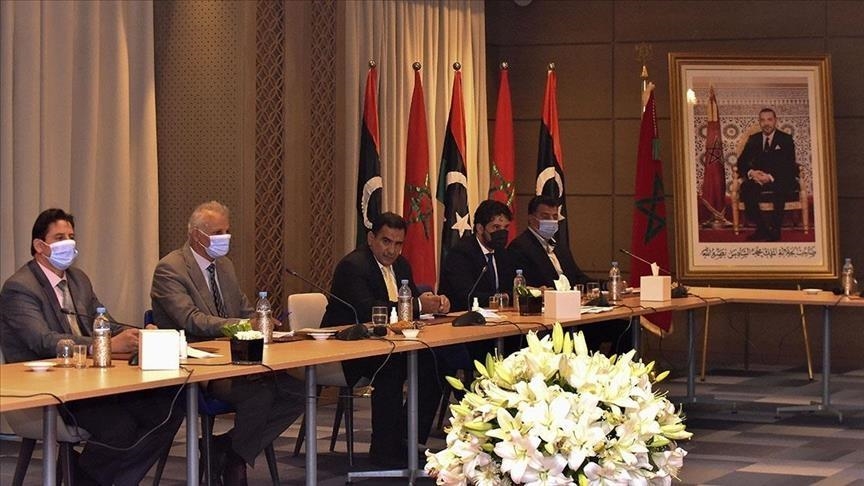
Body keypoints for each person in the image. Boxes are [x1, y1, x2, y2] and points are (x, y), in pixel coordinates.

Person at [0, 208, 183, 486]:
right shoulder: (19, 287)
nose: (69, 243)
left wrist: (138, 334)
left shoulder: (78, 279)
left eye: (71, 236)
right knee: (119, 427)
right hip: (47, 390)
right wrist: (105, 344)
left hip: (91, 382)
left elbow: (105, 322)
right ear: (39, 246)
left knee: (167, 410)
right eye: (59, 237)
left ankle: (89, 477)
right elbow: (43, 341)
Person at [150, 201, 304, 486]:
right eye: (217, 233)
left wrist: (262, 321)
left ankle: (229, 450)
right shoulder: (170, 269)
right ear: (196, 235)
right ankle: (235, 463)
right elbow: (191, 320)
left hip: (238, 359)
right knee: (259, 395)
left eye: (227, 231)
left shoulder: (225, 266)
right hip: (199, 366)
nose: (225, 238)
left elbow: (243, 309)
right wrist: (242, 325)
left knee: (299, 391)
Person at [321, 212, 450, 468]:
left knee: (436, 363)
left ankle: (406, 440)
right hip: (349, 349)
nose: (392, 250)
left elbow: (409, 308)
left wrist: (434, 304)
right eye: (386, 241)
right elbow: (369, 311)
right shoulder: (353, 266)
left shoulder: (401, 266)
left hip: (388, 345)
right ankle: (382, 449)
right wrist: (418, 305)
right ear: (371, 238)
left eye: (398, 244)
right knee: (390, 367)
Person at [508, 195, 628, 353]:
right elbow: (525, 289)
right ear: (531, 218)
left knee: (626, 328)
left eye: (554, 217)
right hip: (547, 319)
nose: (551, 221)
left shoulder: (559, 246)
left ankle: (605, 367)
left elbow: (578, 278)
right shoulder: (520, 247)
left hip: (574, 313)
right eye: (545, 217)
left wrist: (607, 285)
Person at [439, 199, 514, 312]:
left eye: (506, 227)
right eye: (496, 227)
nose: (502, 233)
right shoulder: (461, 253)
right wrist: (500, 298)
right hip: (462, 316)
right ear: (480, 228)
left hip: (498, 315)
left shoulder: (501, 253)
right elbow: (466, 296)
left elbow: (512, 290)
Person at [737, 107, 798, 242]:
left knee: (781, 188)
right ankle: (762, 229)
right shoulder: (754, 139)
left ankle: (775, 231)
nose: (766, 123)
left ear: (775, 121)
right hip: (758, 178)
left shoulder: (785, 139)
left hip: (779, 178)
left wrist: (770, 177)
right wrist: (752, 173)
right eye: (763, 120)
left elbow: (789, 165)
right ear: (759, 122)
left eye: (769, 119)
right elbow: (741, 162)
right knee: (746, 189)